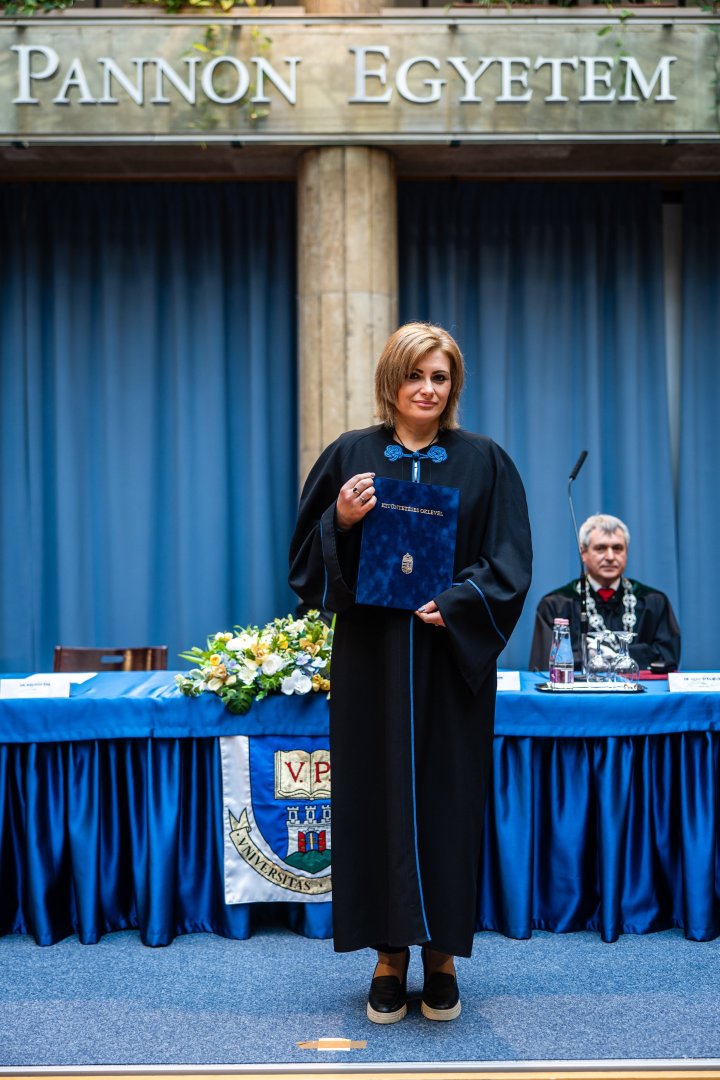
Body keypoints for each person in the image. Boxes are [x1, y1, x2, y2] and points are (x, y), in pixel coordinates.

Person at [289, 323, 532, 1024]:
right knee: (375, 799)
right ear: (391, 381)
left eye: (440, 377)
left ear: (454, 386)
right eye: (415, 375)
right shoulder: (351, 455)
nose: (428, 389)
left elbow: (510, 560)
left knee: (448, 802)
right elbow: (304, 560)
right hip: (371, 660)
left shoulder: (484, 461)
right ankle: (388, 957)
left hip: (448, 664)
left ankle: (443, 956)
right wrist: (340, 519)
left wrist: (457, 604)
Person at [529, 513, 681, 673]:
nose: (610, 557)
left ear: (626, 552)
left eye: (617, 548)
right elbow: (545, 663)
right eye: (600, 548)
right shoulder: (556, 604)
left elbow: (667, 657)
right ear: (583, 553)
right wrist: (592, 656)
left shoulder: (653, 602)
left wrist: (613, 655)